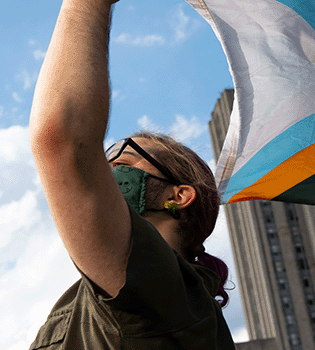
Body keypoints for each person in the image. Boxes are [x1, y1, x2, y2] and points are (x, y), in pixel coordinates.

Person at [27, 0, 235, 348]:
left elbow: (62, 141)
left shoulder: (159, 288)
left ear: (178, 195)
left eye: (124, 162)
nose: (106, 170)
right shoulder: (141, 291)